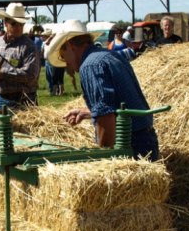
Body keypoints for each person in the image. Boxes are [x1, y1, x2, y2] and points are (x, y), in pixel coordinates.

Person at [48, 19, 159, 160]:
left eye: (64, 57)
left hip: (129, 144)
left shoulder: (89, 66)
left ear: (70, 45)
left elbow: (106, 117)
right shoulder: (109, 56)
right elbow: (118, 102)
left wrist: (103, 159)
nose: (66, 63)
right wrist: (89, 112)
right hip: (146, 139)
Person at [0, 2, 40, 110]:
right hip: (1, 99)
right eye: (14, 24)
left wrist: (3, 73)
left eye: (21, 24)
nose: (18, 27)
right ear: (5, 23)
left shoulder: (29, 46)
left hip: (25, 101)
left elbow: (31, 75)